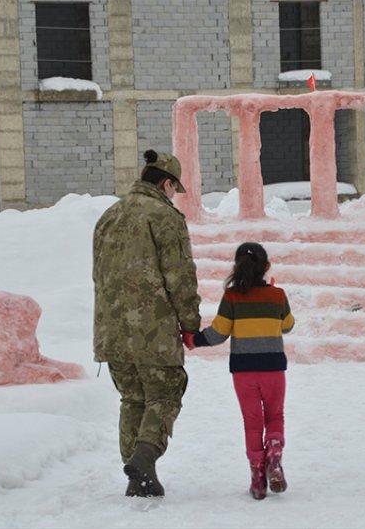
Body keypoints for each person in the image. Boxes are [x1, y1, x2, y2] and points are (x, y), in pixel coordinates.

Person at [93, 149, 201, 497]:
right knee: (166, 393)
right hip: (153, 331)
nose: (174, 195)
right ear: (167, 183)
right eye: (174, 188)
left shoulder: (109, 216)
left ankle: (137, 477)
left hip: (111, 331)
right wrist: (190, 322)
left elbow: (98, 274)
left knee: (132, 399)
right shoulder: (164, 217)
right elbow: (180, 276)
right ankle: (145, 456)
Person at [185, 243, 295, 500]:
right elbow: (288, 326)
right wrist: (275, 299)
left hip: (244, 371)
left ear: (237, 267)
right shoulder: (278, 296)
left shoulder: (232, 297)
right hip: (273, 369)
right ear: (266, 267)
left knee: (253, 423)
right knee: (275, 415)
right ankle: (275, 454)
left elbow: (219, 333)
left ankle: (258, 479)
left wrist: (194, 340)